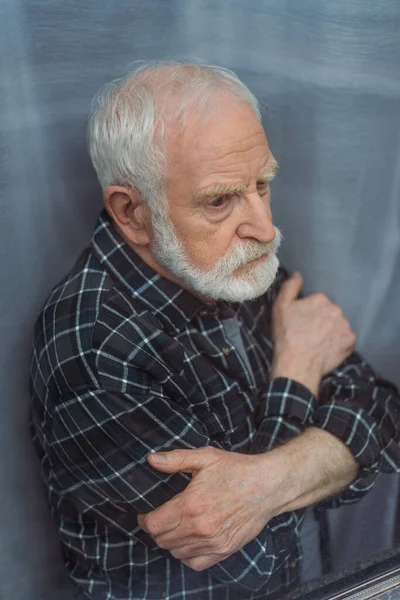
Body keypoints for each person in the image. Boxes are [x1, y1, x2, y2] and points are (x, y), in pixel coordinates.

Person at [30, 61, 400, 600]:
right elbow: (255, 561)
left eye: (263, 184)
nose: (265, 227)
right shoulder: (91, 350)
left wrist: (264, 483)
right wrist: (296, 371)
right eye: (219, 200)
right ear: (132, 212)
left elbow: (385, 417)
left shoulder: (232, 257)